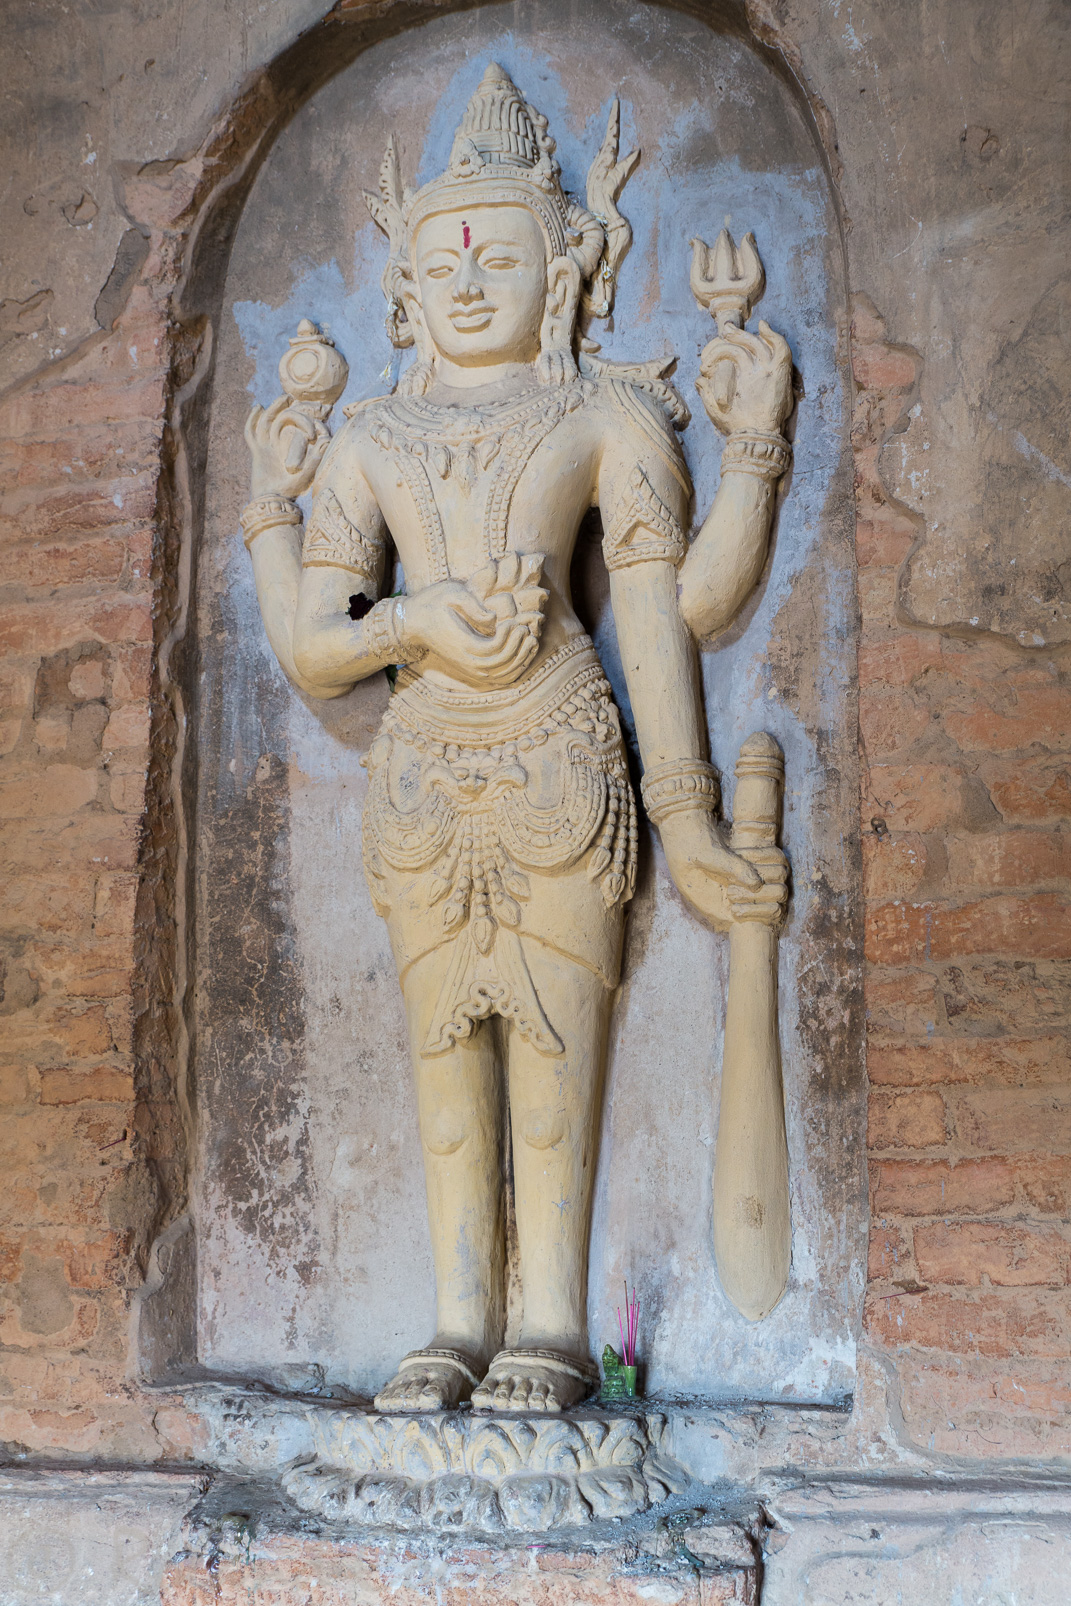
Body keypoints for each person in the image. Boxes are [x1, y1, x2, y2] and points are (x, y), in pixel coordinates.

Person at [241, 64, 791, 1413]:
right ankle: (455, 1316)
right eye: (444, 259)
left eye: (501, 251)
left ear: (564, 271)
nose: (472, 276)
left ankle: (547, 1322)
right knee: (442, 1052)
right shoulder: (368, 439)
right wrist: (411, 619)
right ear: (410, 292)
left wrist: (756, 450)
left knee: (553, 1048)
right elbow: (316, 645)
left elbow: (679, 611)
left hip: (562, 756)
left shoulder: (599, 415)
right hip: (426, 770)